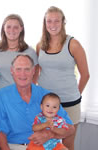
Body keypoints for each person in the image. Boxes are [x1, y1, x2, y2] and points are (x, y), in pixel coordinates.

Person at [0, 54, 75, 150]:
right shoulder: (1, 96)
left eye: (27, 69)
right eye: (18, 69)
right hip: (16, 146)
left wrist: (50, 134)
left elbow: (70, 128)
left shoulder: (47, 95)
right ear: (12, 71)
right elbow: (0, 132)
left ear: (33, 71)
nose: (22, 74)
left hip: (48, 145)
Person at [36, 6, 90, 150]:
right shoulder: (40, 45)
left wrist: (75, 95)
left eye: (56, 21)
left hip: (69, 103)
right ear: (45, 23)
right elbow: (36, 72)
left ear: (63, 22)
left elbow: (85, 74)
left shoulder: (73, 44)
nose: (52, 25)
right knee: (45, 144)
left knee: (67, 145)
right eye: (49, 21)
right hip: (45, 104)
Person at [0, 14, 38, 95]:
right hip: (0, 98)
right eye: (8, 27)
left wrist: (29, 91)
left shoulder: (30, 52)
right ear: (4, 28)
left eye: (16, 27)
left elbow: (36, 72)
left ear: (21, 29)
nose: (12, 30)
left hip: (23, 97)